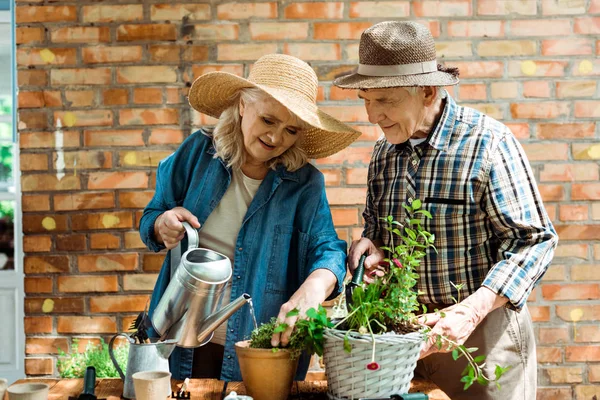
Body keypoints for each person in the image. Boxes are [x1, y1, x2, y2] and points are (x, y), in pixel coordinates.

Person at [335, 21, 558, 400]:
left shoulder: (489, 143)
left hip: (483, 343)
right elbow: (378, 230)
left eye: (385, 100)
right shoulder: (383, 153)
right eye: (366, 100)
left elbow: (534, 242)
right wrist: (372, 246)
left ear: (427, 90)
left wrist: (470, 311)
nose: (372, 116)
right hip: (404, 341)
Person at [140, 54, 361, 381]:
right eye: (268, 120)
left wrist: (315, 286)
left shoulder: (304, 183)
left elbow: (328, 248)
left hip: (260, 344)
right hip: (181, 338)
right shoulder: (197, 154)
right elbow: (153, 216)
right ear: (243, 105)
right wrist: (163, 225)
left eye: (291, 130)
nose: (276, 138)